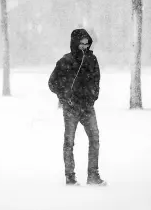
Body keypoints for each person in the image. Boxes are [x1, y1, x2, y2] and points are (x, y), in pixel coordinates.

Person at [48, 28, 106, 186]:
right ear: (75, 43)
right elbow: (52, 83)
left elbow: (96, 81)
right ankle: (70, 177)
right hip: (71, 108)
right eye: (82, 44)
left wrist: (93, 96)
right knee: (69, 142)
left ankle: (93, 175)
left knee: (95, 139)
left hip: (87, 107)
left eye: (87, 44)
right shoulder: (65, 61)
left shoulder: (92, 60)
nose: (85, 47)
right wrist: (65, 97)